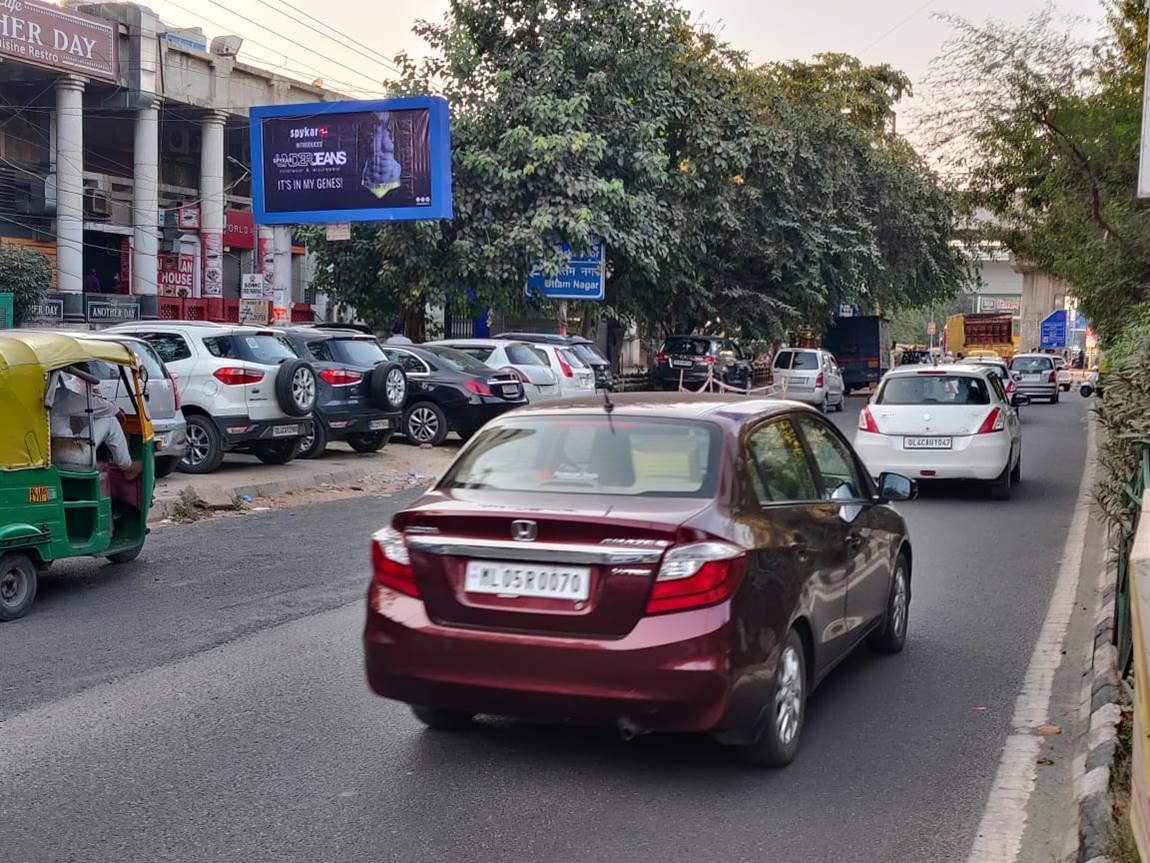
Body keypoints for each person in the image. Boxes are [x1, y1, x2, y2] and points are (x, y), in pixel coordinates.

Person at [49, 368, 142, 480]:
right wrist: (116, 411)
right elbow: (95, 406)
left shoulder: (40, 396)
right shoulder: (60, 397)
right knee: (110, 420)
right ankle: (127, 466)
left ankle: (100, 463)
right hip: (70, 456)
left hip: (51, 456)